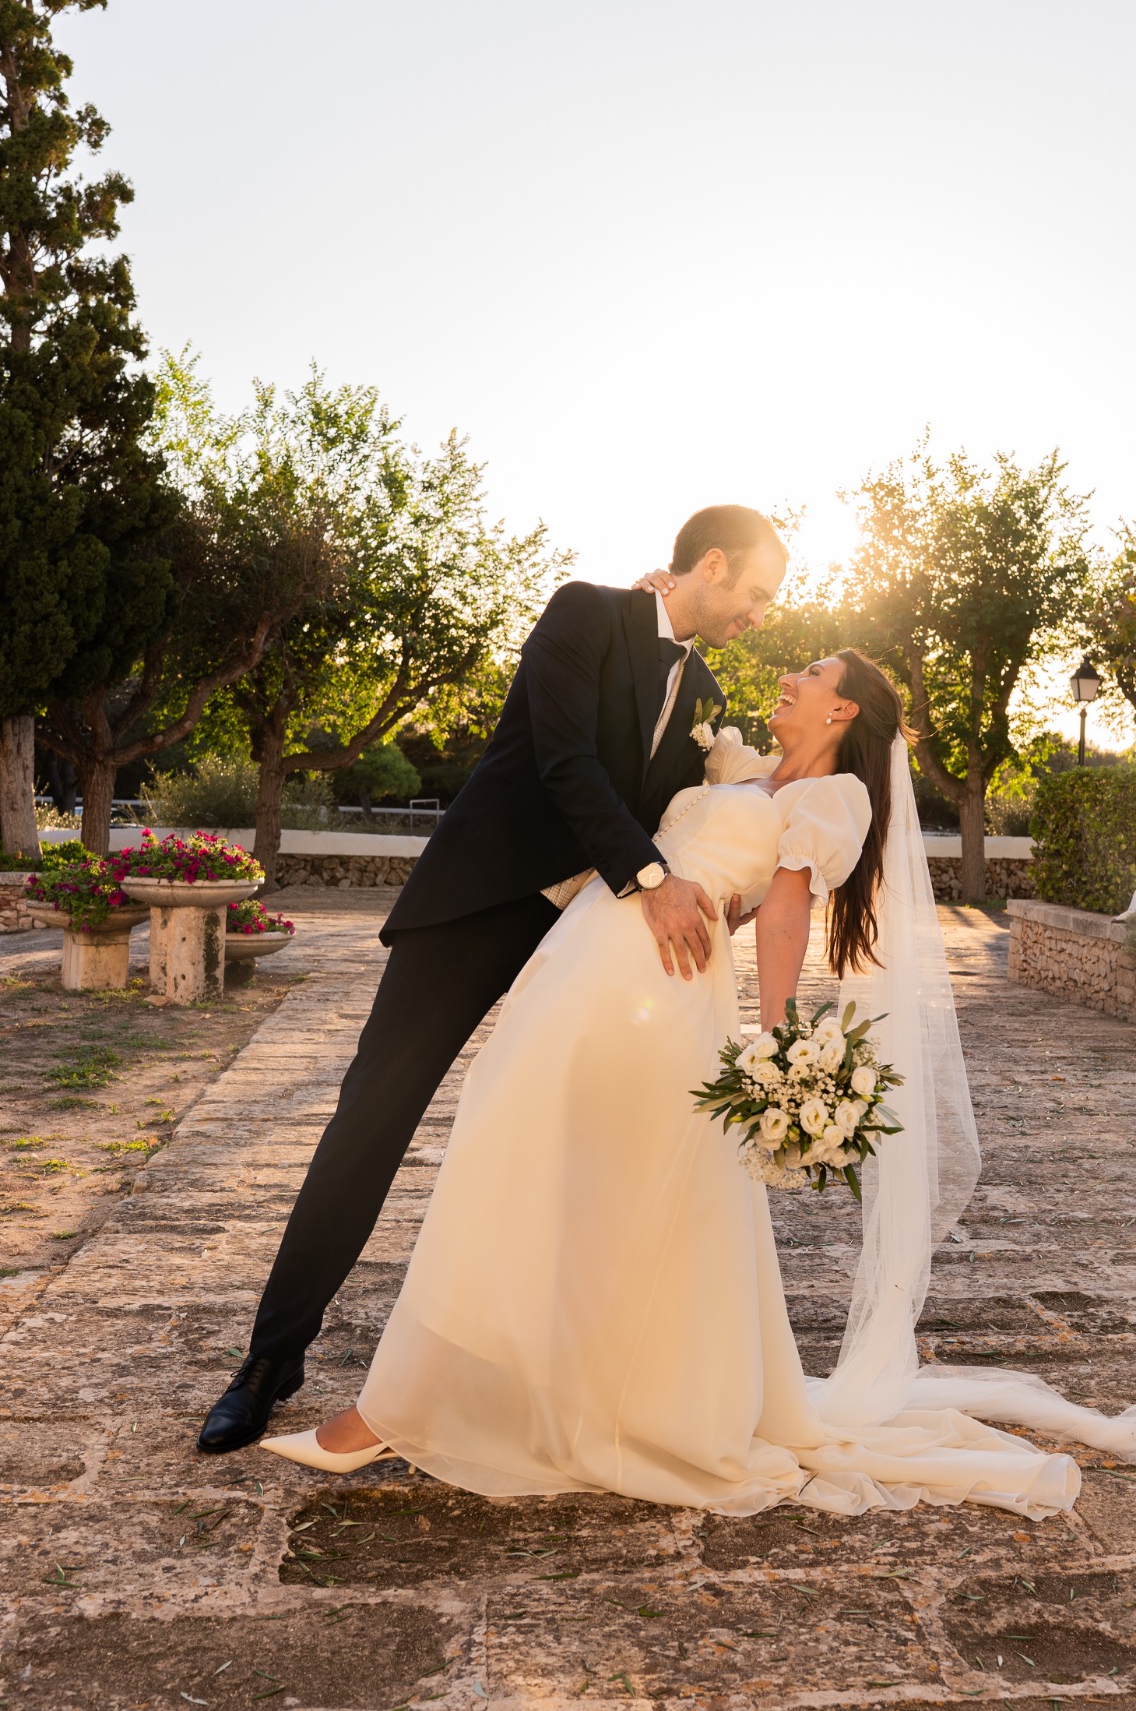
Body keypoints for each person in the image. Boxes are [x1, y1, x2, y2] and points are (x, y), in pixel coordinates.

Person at [259, 642, 1136, 1514]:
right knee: (540, 1160)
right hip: (583, 956)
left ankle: (397, 1409)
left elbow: (781, 915)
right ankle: (536, 1387)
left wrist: (776, 1040)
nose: (789, 676)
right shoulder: (738, 767)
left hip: (659, 986)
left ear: (843, 708)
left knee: (530, 1158)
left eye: (811, 672)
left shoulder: (832, 798)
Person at [197, 504, 790, 1454]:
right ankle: (271, 1360)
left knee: (575, 1144)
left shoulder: (707, 688)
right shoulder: (585, 611)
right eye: (755, 593)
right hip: (483, 900)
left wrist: (722, 884)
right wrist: (653, 880)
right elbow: (564, 762)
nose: (759, 616)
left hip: (591, 938)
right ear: (710, 564)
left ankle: (542, 1380)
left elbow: (677, 814)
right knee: (372, 1119)